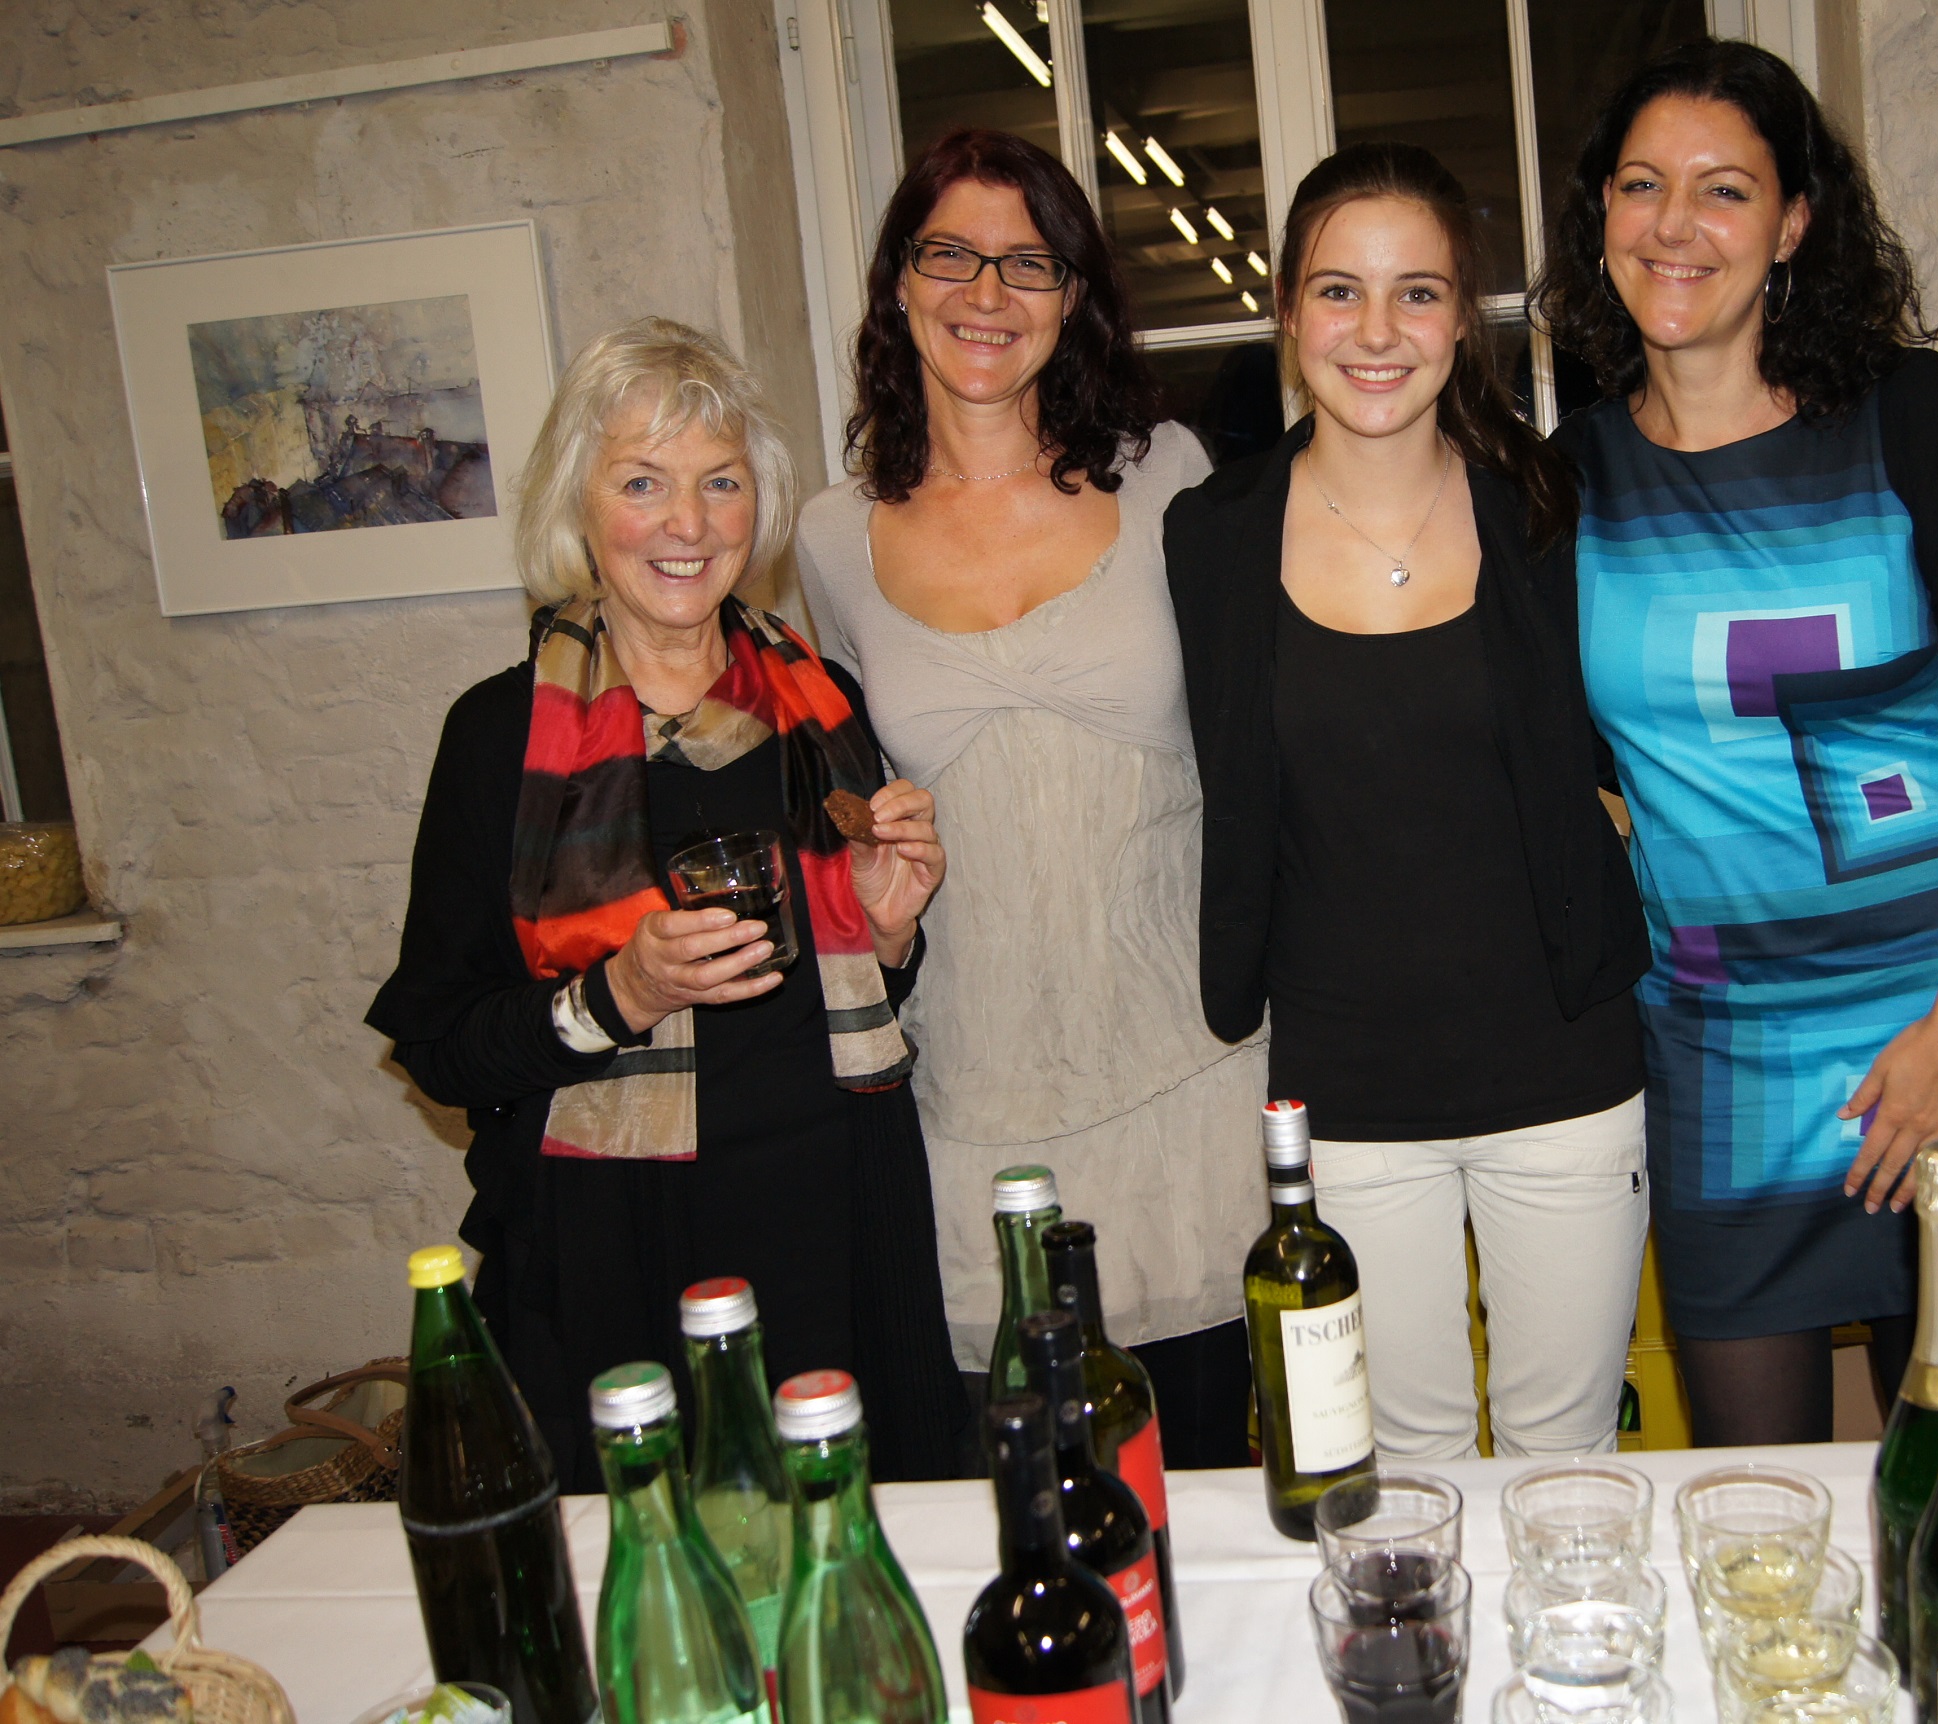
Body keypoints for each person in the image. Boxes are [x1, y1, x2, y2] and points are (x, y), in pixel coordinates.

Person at [1534, 40, 1938, 1447]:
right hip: (1727, 1050)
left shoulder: (1905, 415)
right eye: (1641, 185)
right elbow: (1561, 753)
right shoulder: (1569, 481)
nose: (1675, 225)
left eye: (1724, 190)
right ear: (1602, 212)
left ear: (1794, 223)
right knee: (1752, 1514)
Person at [369, 318, 974, 1488]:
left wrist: (891, 926)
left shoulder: (821, 706)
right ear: (579, 504)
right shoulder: (502, 737)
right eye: (643, 481)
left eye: (720, 482)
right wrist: (620, 994)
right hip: (614, 1255)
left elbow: (857, 989)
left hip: (838, 1227)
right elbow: (443, 1045)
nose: (688, 524)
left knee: (853, 1554)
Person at [1165, 144, 1651, 1463]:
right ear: (1287, 310)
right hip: (1347, 1093)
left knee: (1566, 1461)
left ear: (1461, 317)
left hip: (1564, 1069)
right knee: (1397, 1471)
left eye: (1417, 292)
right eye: (1340, 290)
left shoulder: (1548, 504)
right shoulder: (1209, 536)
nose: (1376, 332)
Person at [796, 129, 1265, 1467]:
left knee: (1212, 1491)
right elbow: (851, 806)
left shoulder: (1168, 475)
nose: (986, 293)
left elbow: (1262, 740)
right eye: (951, 254)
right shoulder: (833, 537)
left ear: (1074, 297)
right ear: (899, 281)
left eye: (1028, 262)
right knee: (1028, 1506)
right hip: (977, 1094)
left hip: (1193, 1079)